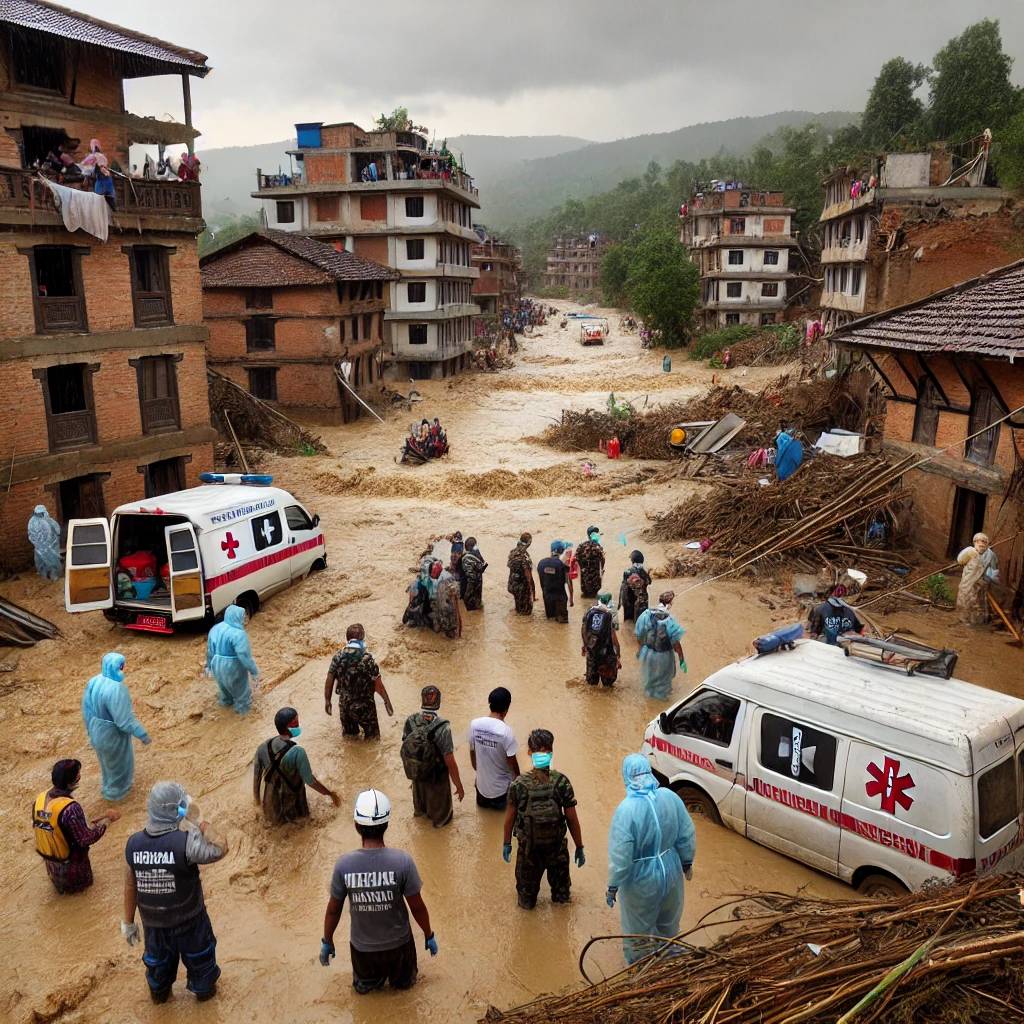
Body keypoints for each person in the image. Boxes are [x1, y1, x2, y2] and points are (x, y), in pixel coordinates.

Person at [320, 790, 437, 993]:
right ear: (387, 825)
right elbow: (417, 907)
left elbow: (333, 910)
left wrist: (327, 941)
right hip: (399, 946)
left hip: (362, 949)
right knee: (405, 992)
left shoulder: (343, 865)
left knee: (368, 995)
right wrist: (429, 934)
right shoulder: (403, 861)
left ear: (357, 827)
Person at [122, 781, 227, 1003]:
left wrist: (128, 922)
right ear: (177, 810)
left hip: (154, 928)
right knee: (203, 974)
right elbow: (220, 847)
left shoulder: (133, 844)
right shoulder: (187, 842)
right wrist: (198, 822)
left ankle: (161, 1008)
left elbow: (131, 885)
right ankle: (206, 1008)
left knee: (158, 978)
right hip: (191, 924)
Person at [606, 754, 696, 964]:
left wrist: (612, 886)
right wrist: (686, 862)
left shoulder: (626, 810)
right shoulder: (670, 797)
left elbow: (621, 857)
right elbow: (686, 833)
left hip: (642, 881)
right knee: (669, 924)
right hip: (671, 870)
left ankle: (641, 971)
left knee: (637, 931)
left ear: (627, 777)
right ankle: (669, 962)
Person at [503, 729, 585, 910]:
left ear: (530, 753)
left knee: (526, 903)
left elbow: (509, 818)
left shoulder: (518, 785)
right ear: (551, 752)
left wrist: (506, 843)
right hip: (557, 852)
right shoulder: (562, 782)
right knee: (562, 901)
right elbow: (572, 819)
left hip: (528, 853)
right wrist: (579, 847)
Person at [33, 758, 120, 894]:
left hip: (52, 865)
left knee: (64, 895)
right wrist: (107, 821)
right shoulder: (70, 808)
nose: (80, 775)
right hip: (73, 868)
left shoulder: (40, 798)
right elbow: (85, 839)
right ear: (72, 781)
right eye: (78, 773)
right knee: (84, 892)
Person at [81, 653, 151, 801]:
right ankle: (116, 798)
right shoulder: (117, 689)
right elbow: (124, 721)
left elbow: (86, 708)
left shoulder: (94, 681)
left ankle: (107, 790)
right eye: (121, 666)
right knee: (119, 769)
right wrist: (142, 734)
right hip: (112, 735)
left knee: (107, 767)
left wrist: (90, 730)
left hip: (96, 730)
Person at [253, 707, 340, 825]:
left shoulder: (263, 747)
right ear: (288, 728)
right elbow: (311, 781)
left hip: (270, 805)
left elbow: (256, 781)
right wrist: (330, 794)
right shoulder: (297, 751)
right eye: (295, 723)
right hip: (293, 807)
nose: (298, 726)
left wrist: (257, 803)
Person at [400, 686, 464, 828]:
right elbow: (449, 761)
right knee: (442, 823)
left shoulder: (410, 720)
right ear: (439, 701)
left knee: (420, 819)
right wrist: (459, 785)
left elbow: (408, 749)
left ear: (422, 700)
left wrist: (415, 771)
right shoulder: (443, 727)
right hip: (437, 781)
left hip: (418, 780)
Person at [325, 624, 393, 739]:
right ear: (362, 637)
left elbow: (330, 678)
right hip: (365, 708)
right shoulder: (368, 659)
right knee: (373, 739)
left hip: (345, 706)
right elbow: (378, 684)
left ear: (347, 638)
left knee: (350, 739)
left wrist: (327, 700)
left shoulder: (338, 657)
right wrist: (387, 701)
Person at [469, 687, 521, 810]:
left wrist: (479, 774)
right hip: (501, 793)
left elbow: (472, 753)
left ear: (489, 704)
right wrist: (519, 786)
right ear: (507, 708)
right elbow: (513, 764)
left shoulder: (474, 725)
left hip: (481, 789)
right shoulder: (506, 732)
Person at [205, 604, 259, 715]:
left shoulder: (215, 628)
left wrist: (209, 666)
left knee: (225, 692)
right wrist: (254, 672)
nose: (244, 619)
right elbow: (244, 656)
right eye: (243, 617)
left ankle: (224, 712)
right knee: (242, 696)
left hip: (216, 664)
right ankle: (242, 719)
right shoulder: (239, 634)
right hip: (233, 667)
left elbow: (210, 651)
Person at [635, 592, 686, 701]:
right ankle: (660, 708)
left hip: (647, 653)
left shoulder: (647, 614)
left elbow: (639, 634)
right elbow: (676, 643)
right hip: (664, 655)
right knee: (663, 684)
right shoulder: (670, 619)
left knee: (649, 681)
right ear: (670, 604)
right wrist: (682, 659)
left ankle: (649, 704)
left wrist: (639, 650)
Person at [582, 592, 621, 687]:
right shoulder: (609, 614)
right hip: (607, 653)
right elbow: (614, 639)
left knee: (592, 685)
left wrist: (586, 645)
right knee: (608, 686)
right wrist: (618, 654)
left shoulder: (590, 612)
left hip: (592, 651)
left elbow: (583, 629)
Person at [537, 541, 572, 623]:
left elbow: (542, 582)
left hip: (547, 597)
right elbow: (569, 583)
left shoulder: (541, 563)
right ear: (561, 551)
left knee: (550, 621)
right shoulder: (563, 566)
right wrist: (571, 598)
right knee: (562, 625)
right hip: (560, 598)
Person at [956, 546, 990, 627]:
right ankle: (964, 619)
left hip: (974, 585)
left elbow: (978, 573)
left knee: (972, 602)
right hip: (967, 584)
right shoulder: (971, 556)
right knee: (964, 601)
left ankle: (973, 621)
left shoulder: (978, 560)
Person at [27, 504, 62, 580]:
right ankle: (50, 576)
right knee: (48, 561)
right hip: (45, 547)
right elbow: (31, 535)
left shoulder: (34, 521)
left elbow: (57, 530)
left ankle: (51, 576)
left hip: (46, 546)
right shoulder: (36, 521)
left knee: (49, 561)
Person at [507, 532, 536, 615]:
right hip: (523, 586)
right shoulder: (524, 556)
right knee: (526, 613)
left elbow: (510, 566)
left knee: (518, 607)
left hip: (513, 584)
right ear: (529, 542)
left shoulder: (513, 552)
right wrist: (533, 592)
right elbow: (528, 576)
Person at [619, 551, 652, 624]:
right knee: (642, 621)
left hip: (630, 601)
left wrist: (619, 603)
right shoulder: (644, 572)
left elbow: (623, 588)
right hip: (643, 599)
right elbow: (649, 582)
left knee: (629, 622)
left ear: (632, 561)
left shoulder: (628, 572)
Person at [431, 565, 462, 639]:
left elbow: (457, 613)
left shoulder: (447, 583)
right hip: (445, 603)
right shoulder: (442, 578)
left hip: (448, 603)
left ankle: (453, 635)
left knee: (452, 619)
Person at [576, 526, 606, 600]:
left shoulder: (581, 546)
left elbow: (577, 559)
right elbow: (602, 560)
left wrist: (583, 567)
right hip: (595, 579)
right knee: (594, 597)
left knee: (585, 596)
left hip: (584, 578)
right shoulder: (598, 547)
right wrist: (601, 570)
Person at [461, 537, 487, 611]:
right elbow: (471, 573)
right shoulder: (467, 558)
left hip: (475, 583)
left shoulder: (473, 555)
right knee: (471, 604)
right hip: (472, 584)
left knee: (476, 604)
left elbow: (483, 566)